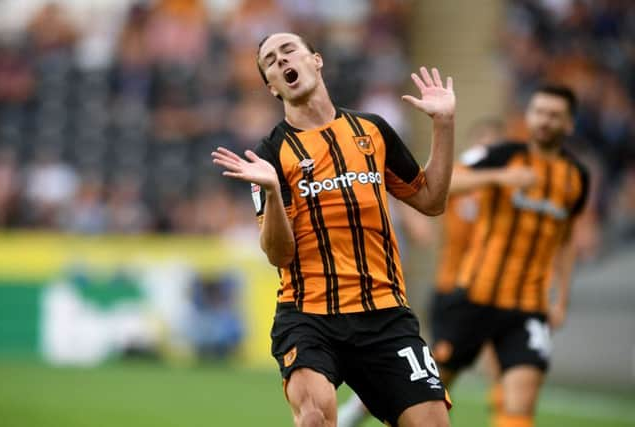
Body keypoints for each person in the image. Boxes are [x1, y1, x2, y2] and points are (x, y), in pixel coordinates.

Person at [212, 32, 455, 427]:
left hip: (385, 314)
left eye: (288, 50)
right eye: (270, 62)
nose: (281, 60)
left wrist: (444, 125)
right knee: (313, 418)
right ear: (272, 87)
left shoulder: (372, 132)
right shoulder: (270, 154)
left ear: (316, 60)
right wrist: (273, 192)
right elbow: (278, 254)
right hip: (309, 315)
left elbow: (431, 200)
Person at [436, 85, 589, 427]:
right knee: (429, 392)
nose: (545, 121)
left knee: (520, 405)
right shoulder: (502, 154)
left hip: (528, 306)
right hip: (475, 294)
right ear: (529, 116)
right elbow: (444, 183)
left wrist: (561, 299)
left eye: (555, 115)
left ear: (569, 124)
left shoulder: (576, 177)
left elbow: (564, 242)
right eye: (539, 112)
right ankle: (356, 413)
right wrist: (497, 177)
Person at [337, 118, 507, 427]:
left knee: (505, 372)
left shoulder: (503, 194)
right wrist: (497, 175)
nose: (489, 153)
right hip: (455, 291)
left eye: (495, 148)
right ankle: (358, 408)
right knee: (425, 374)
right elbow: (440, 192)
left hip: (496, 292)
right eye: (484, 146)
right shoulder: (469, 178)